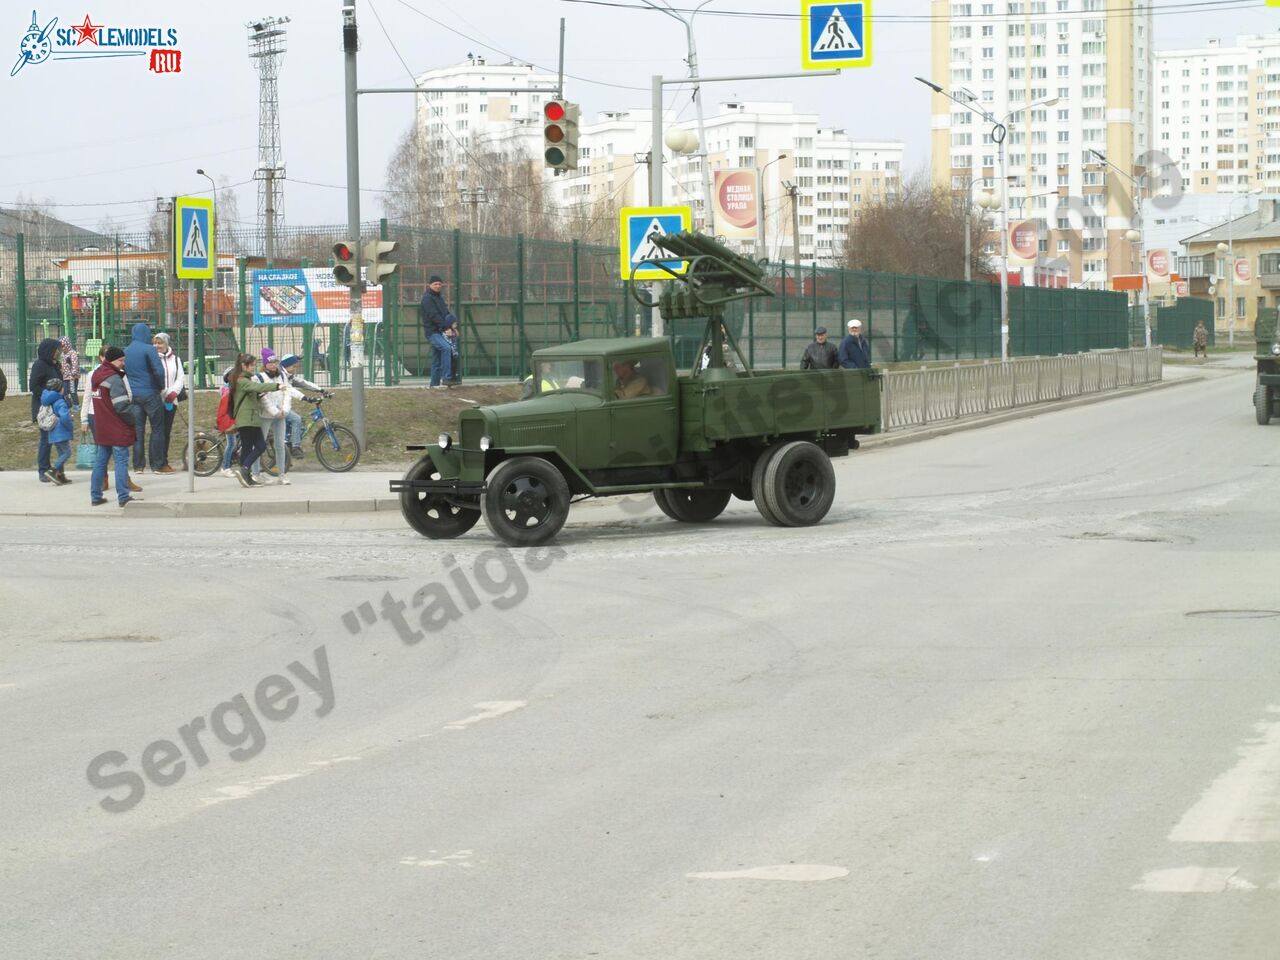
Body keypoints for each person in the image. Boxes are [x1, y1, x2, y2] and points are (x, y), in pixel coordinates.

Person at [89, 347, 141, 508]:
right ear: (111, 360)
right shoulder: (114, 379)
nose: (123, 364)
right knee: (121, 462)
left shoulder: (96, 376)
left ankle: (95, 495)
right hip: (117, 428)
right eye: (121, 360)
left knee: (100, 462)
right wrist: (134, 419)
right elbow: (122, 407)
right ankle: (123, 496)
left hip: (102, 426)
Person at [226, 352, 285, 488]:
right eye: (251, 365)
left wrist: (258, 395)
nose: (253, 368)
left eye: (254, 365)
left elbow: (253, 393)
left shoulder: (245, 379)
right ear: (243, 366)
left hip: (252, 418)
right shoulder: (242, 380)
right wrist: (276, 386)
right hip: (246, 419)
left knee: (252, 447)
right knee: (258, 446)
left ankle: (246, 475)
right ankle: (245, 470)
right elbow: (257, 387)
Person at [252, 348, 303, 486]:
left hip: (281, 414)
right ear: (265, 364)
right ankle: (255, 474)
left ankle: (282, 474)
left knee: (280, 444)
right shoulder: (259, 377)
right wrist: (274, 411)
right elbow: (262, 397)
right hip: (265, 415)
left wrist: (285, 410)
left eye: (275, 362)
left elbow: (287, 392)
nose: (274, 365)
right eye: (270, 362)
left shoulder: (282, 376)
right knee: (259, 445)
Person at [124, 319, 166, 474]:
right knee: (157, 429)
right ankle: (157, 464)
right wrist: (160, 386)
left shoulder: (126, 350)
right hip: (151, 393)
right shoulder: (149, 349)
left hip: (134, 395)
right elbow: (159, 371)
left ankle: (138, 466)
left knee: (138, 430)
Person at [278, 355, 324, 457]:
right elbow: (290, 390)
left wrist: (321, 390)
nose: (296, 368)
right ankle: (295, 447)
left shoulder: (289, 376)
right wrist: (305, 398)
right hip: (276, 406)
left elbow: (303, 383)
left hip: (283, 405)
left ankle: (287, 444)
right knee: (296, 419)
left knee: (300, 421)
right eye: (294, 366)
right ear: (287, 365)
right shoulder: (280, 376)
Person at [29, 337, 61, 483]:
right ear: (50, 351)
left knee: (57, 440)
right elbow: (34, 387)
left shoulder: (54, 365)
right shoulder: (39, 365)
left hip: (55, 407)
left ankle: (55, 469)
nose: (58, 352)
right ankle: (43, 470)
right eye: (56, 350)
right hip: (43, 408)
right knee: (46, 440)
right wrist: (50, 396)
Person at [152, 331, 184, 474]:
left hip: (171, 400)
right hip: (157, 399)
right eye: (155, 343)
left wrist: (173, 393)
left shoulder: (176, 360)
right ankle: (156, 461)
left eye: (160, 343)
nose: (157, 345)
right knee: (157, 431)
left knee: (167, 431)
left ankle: (164, 459)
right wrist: (163, 393)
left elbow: (180, 378)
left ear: (166, 344)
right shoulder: (152, 358)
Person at [420, 275, 457, 388]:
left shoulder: (439, 298)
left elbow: (446, 313)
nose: (438, 286)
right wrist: (447, 328)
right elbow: (434, 316)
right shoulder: (427, 299)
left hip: (440, 331)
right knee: (446, 348)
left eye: (440, 284)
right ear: (430, 285)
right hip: (433, 332)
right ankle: (447, 378)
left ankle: (434, 384)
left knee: (437, 359)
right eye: (435, 284)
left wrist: (453, 324)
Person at [39, 377, 74, 485]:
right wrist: (70, 427)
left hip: (53, 432)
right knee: (67, 453)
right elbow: (65, 418)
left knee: (60, 454)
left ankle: (60, 475)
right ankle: (52, 471)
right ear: (60, 389)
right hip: (61, 432)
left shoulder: (48, 401)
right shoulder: (60, 402)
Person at [218, 365, 240, 479]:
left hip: (234, 418)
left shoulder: (232, 388)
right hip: (228, 420)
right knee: (231, 444)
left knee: (235, 442)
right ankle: (225, 467)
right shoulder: (227, 390)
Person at [58, 335, 81, 403]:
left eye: (63, 346)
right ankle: (68, 404)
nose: (62, 348)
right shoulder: (63, 354)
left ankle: (76, 405)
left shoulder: (72, 353)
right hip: (65, 377)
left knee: (72, 391)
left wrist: (73, 374)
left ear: (67, 344)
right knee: (65, 392)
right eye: (61, 346)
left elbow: (75, 365)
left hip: (72, 377)